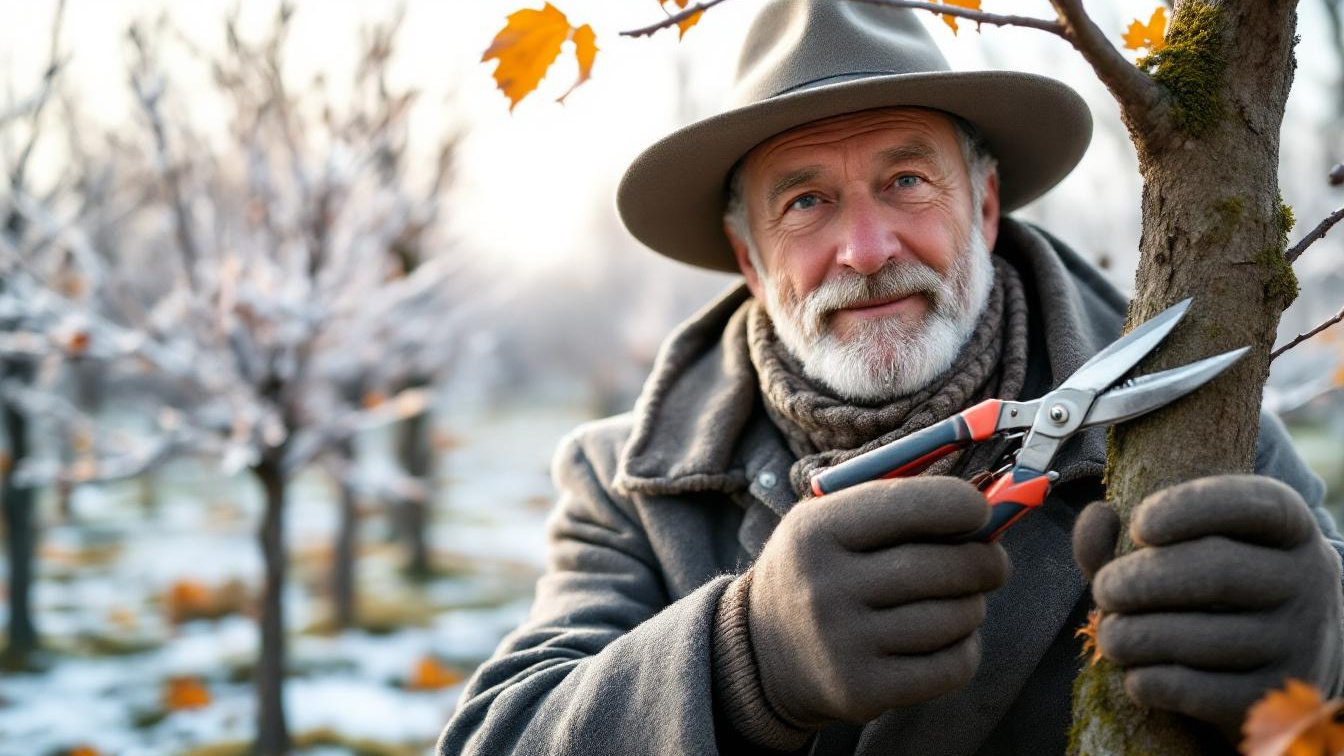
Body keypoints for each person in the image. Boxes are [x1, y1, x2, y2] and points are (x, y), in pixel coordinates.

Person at [439, 2, 1344, 754]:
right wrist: (744, 663)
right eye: (805, 202)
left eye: (908, 180)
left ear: (984, 206)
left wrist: (1326, 651)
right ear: (749, 261)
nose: (867, 252)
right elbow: (494, 737)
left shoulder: (1189, 408)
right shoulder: (624, 488)